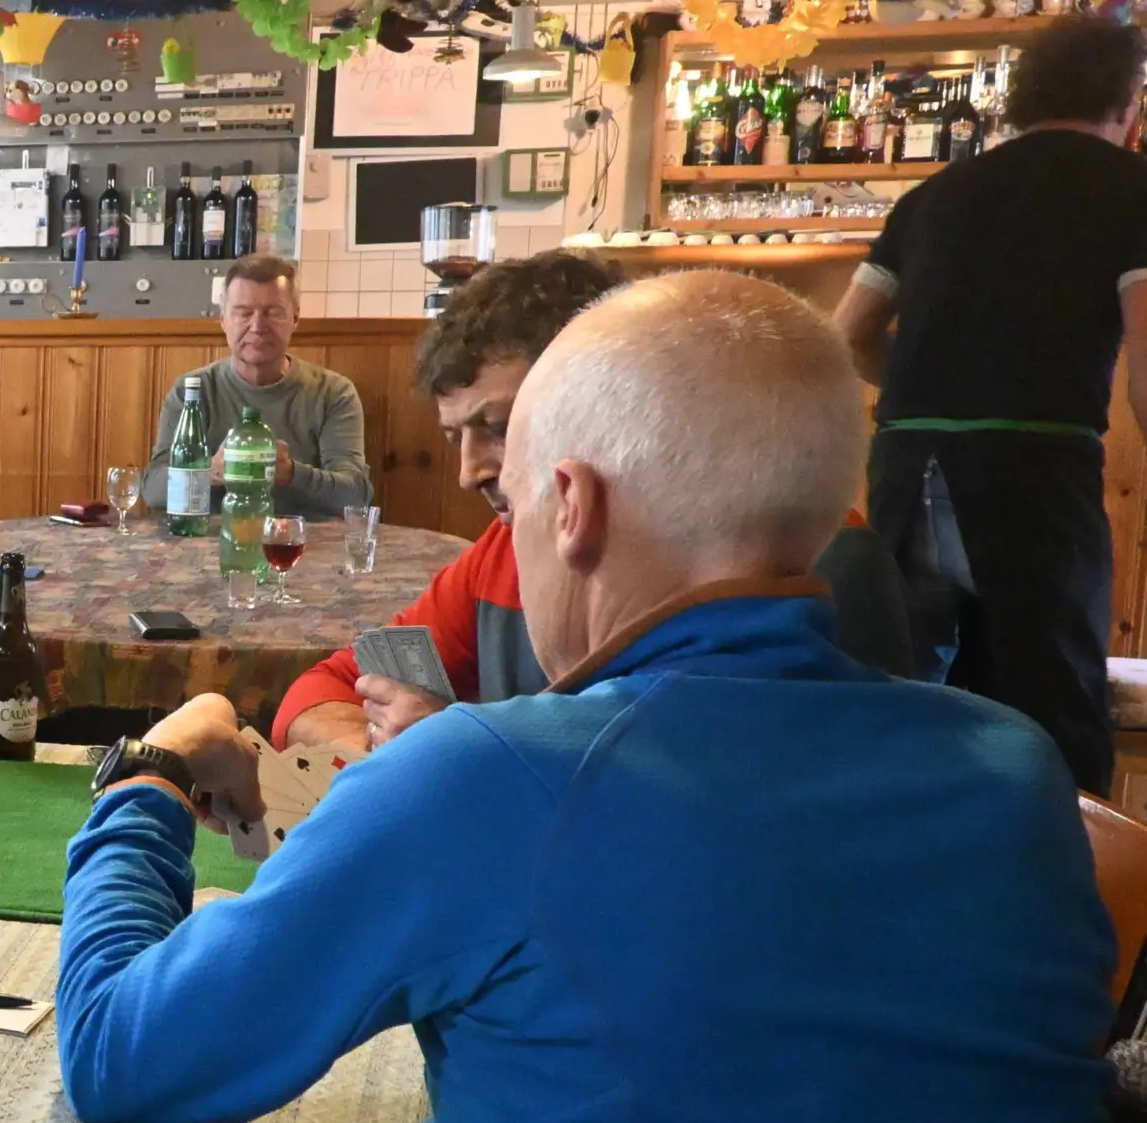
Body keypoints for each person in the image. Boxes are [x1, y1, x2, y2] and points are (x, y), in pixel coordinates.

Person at [58, 271, 1112, 1123]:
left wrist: (144, 784)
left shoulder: (489, 783)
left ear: (574, 506)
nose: (497, 508)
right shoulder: (1015, 773)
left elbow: (121, 1054)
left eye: (506, 492)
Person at [277, 251, 914, 752]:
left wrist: (463, 754)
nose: (470, 471)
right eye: (454, 437)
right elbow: (321, 690)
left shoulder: (814, 559)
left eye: (500, 427)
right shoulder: (498, 557)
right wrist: (384, 750)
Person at [834, 14, 1147, 794]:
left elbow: (845, 339)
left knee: (904, 713)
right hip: (1031, 475)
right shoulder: (1133, 190)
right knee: (1051, 720)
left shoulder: (936, 194)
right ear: (1130, 101)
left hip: (908, 470)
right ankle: (1063, 899)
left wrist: (929, 390)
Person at [146, 254, 371, 518]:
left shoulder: (333, 392)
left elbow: (356, 495)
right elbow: (153, 489)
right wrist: (211, 472)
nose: (257, 326)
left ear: (295, 319)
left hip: (302, 545)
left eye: (273, 313)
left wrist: (289, 474)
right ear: (223, 320)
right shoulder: (192, 390)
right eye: (243, 313)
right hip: (210, 543)